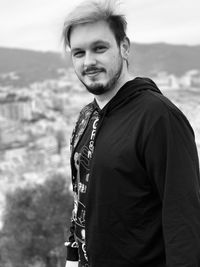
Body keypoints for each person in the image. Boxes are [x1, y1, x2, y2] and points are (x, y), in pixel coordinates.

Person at [62, 1, 200, 266]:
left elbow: (184, 223)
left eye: (99, 48)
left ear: (124, 47)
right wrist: (72, 257)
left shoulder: (158, 117)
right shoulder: (85, 117)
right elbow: (82, 198)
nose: (88, 61)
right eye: (78, 53)